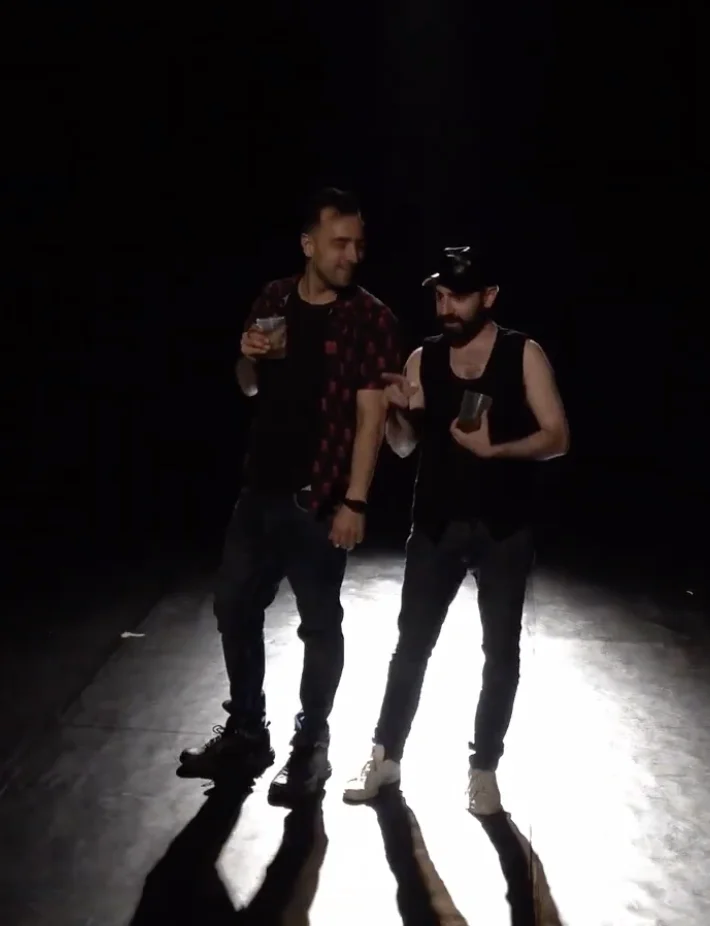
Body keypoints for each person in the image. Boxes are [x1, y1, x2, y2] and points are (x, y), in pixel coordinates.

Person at [179, 188, 400, 804]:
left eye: (358, 245)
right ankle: (248, 730)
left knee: (319, 625)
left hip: (318, 499)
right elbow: (248, 386)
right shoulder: (274, 298)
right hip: (259, 491)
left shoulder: (371, 318)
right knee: (233, 607)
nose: (351, 255)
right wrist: (246, 356)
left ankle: (311, 743)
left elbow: (372, 416)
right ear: (308, 244)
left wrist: (355, 501)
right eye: (339, 243)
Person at [343, 244, 569, 814]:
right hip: (437, 525)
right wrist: (398, 411)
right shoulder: (424, 358)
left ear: (488, 297)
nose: (446, 307)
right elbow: (403, 447)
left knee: (501, 654)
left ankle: (483, 767)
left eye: (458, 297)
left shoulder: (522, 353)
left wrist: (496, 451)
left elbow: (557, 437)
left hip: (503, 528)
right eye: (440, 296)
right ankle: (385, 756)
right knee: (411, 646)